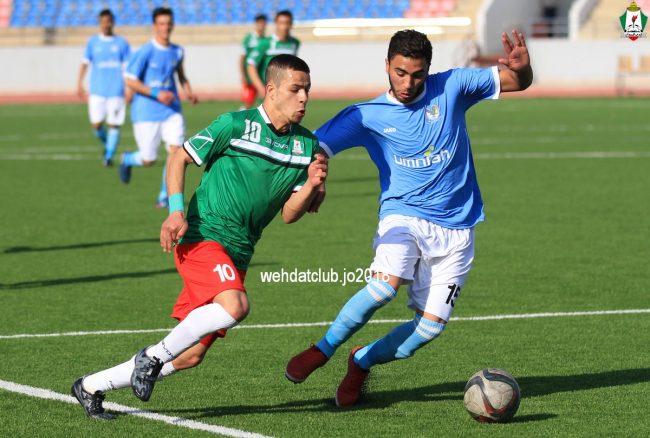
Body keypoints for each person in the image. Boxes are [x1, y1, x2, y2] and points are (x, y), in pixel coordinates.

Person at [71, 54, 327, 420]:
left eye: (307, 90)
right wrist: (176, 211)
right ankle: (152, 357)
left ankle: (91, 386)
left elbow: (289, 214)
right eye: (295, 89)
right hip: (203, 236)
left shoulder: (306, 146)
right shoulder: (234, 125)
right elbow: (179, 157)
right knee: (235, 307)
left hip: (240, 251)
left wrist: (313, 186)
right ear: (271, 90)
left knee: (190, 355)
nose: (304, 98)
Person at [286, 29, 533, 407]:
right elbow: (314, 145)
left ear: (429, 69)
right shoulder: (366, 115)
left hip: (458, 227)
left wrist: (523, 69)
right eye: (399, 73)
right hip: (402, 216)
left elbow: (517, 81)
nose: (407, 83)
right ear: (387, 65)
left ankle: (361, 361)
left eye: (417, 75)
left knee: (429, 329)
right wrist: (315, 179)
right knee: (383, 288)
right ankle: (323, 348)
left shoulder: (453, 86)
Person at [120, 7, 198, 208]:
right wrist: (156, 93)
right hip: (146, 112)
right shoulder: (145, 51)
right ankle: (127, 159)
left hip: (172, 110)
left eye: (169, 23)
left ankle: (165, 196)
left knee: (176, 153)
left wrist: (188, 91)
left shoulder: (177, 51)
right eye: (162, 23)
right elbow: (130, 79)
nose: (166, 27)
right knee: (148, 160)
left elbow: (181, 75)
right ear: (155, 26)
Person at [77, 9, 130, 167]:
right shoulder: (93, 42)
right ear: (100, 23)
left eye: (109, 21)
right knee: (97, 125)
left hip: (116, 91)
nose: (106, 24)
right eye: (103, 22)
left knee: (114, 124)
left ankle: (108, 156)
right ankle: (109, 145)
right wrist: (79, 83)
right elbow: (85, 63)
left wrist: (130, 88)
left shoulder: (121, 43)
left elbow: (128, 68)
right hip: (97, 91)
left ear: (113, 22)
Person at [247, 10, 300, 99]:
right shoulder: (265, 43)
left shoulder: (294, 43)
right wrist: (260, 87)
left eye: (288, 23)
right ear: (276, 23)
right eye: (282, 23)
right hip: (270, 91)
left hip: (288, 91)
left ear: (291, 24)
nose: (285, 26)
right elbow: (251, 65)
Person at [240, 13, 267, 109]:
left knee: (264, 101)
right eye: (260, 23)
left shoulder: (266, 40)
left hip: (262, 75)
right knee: (248, 102)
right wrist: (243, 75)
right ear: (256, 24)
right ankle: (241, 117)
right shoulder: (249, 39)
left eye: (264, 23)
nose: (262, 25)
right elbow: (242, 58)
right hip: (250, 76)